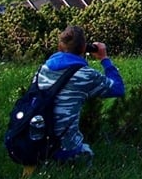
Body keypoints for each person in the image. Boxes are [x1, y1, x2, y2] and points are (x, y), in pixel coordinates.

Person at [36, 24, 125, 162]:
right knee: (85, 153)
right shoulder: (85, 74)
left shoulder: (44, 68)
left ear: (60, 46)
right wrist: (104, 58)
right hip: (63, 149)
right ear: (84, 48)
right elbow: (118, 89)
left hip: (33, 141)